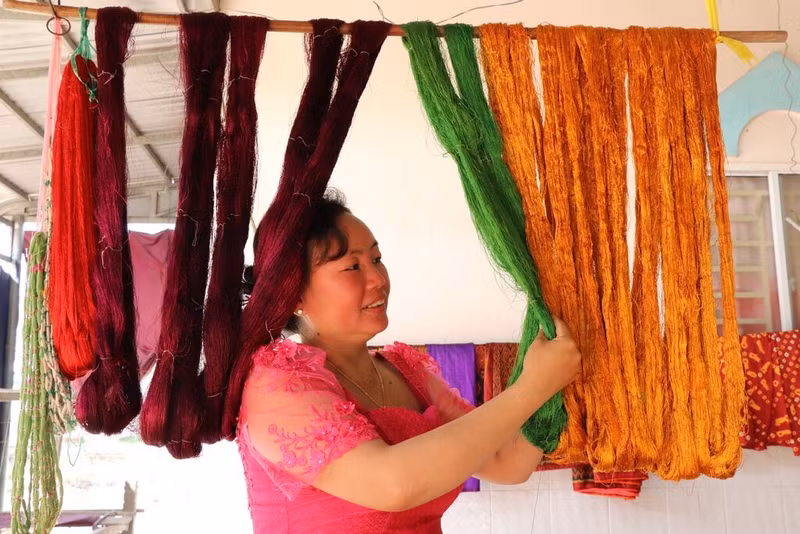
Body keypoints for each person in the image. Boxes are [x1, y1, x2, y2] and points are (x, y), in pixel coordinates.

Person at [238, 191, 580, 533]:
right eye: (353, 266)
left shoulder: (408, 370)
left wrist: (559, 356)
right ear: (294, 291)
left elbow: (507, 461)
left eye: (377, 259)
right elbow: (393, 484)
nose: (377, 279)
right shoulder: (278, 385)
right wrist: (532, 387)